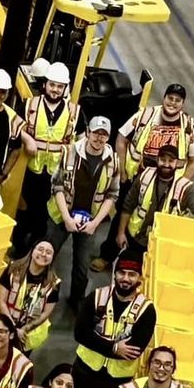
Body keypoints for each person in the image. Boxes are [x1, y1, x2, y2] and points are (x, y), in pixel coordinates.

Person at [70, 257, 156, 388]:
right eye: (122, 273)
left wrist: (96, 340)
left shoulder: (147, 310)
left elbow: (134, 350)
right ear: (114, 275)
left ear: (139, 279)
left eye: (132, 275)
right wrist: (114, 348)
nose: (126, 278)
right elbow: (80, 333)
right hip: (85, 369)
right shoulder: (97, 297)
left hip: (117, 379)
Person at [46, 118, 118, 303]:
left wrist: (95, 223)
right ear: (87, 132)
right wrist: (67, 219)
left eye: (103, 135)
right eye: (95, 133)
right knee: (47, 256)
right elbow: (57, 186)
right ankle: (41, 296)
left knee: (81, 265)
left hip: (89, 221)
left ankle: (76, 302)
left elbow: (112, 195)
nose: (99, 138)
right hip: (61, 216)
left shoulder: (113, 161)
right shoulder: (69, 152)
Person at [13, 60, 79, 252]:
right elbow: (14, 126)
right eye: (52, 85)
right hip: (30, 170)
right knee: (26, 208)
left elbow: (81, 141)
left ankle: (37, 243)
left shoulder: (74, 112)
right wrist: (27, 139)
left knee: (45, 212)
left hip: (56, 175)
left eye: (59, 86)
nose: (55, 90)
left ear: (65, 88)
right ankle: (20, 245)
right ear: (44, 84)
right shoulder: (29, 105)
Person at [108, 145, 194, 263]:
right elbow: (128, 205)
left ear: (177, 163)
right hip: (136, 239)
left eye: (171, 161)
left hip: (163, 246)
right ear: (157, 159)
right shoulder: (144, 176)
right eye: (163, 160)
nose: (166, 164)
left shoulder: (184, 187)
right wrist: (121, 233)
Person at [116, 82, 194, 183]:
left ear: (183, 104)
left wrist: (180, 186)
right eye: (170, 98)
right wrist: (121, 171)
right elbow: (121, 140)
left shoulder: (189, 128)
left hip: (167, 185)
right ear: (164, 98)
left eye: (177, 100)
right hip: (136, 179)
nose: (173, 102)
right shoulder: (144, 116)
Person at [0, 242, 60, 351]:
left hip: (28, 334)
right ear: (32, 251)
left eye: (48, 252)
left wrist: (25, 329)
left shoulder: (54, 283)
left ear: (52, 258)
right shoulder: (12, 270)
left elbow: (46, 313)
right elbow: (2, 301)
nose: (44, 254)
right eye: (40, 249)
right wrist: (13, 327)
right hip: (6, 324)